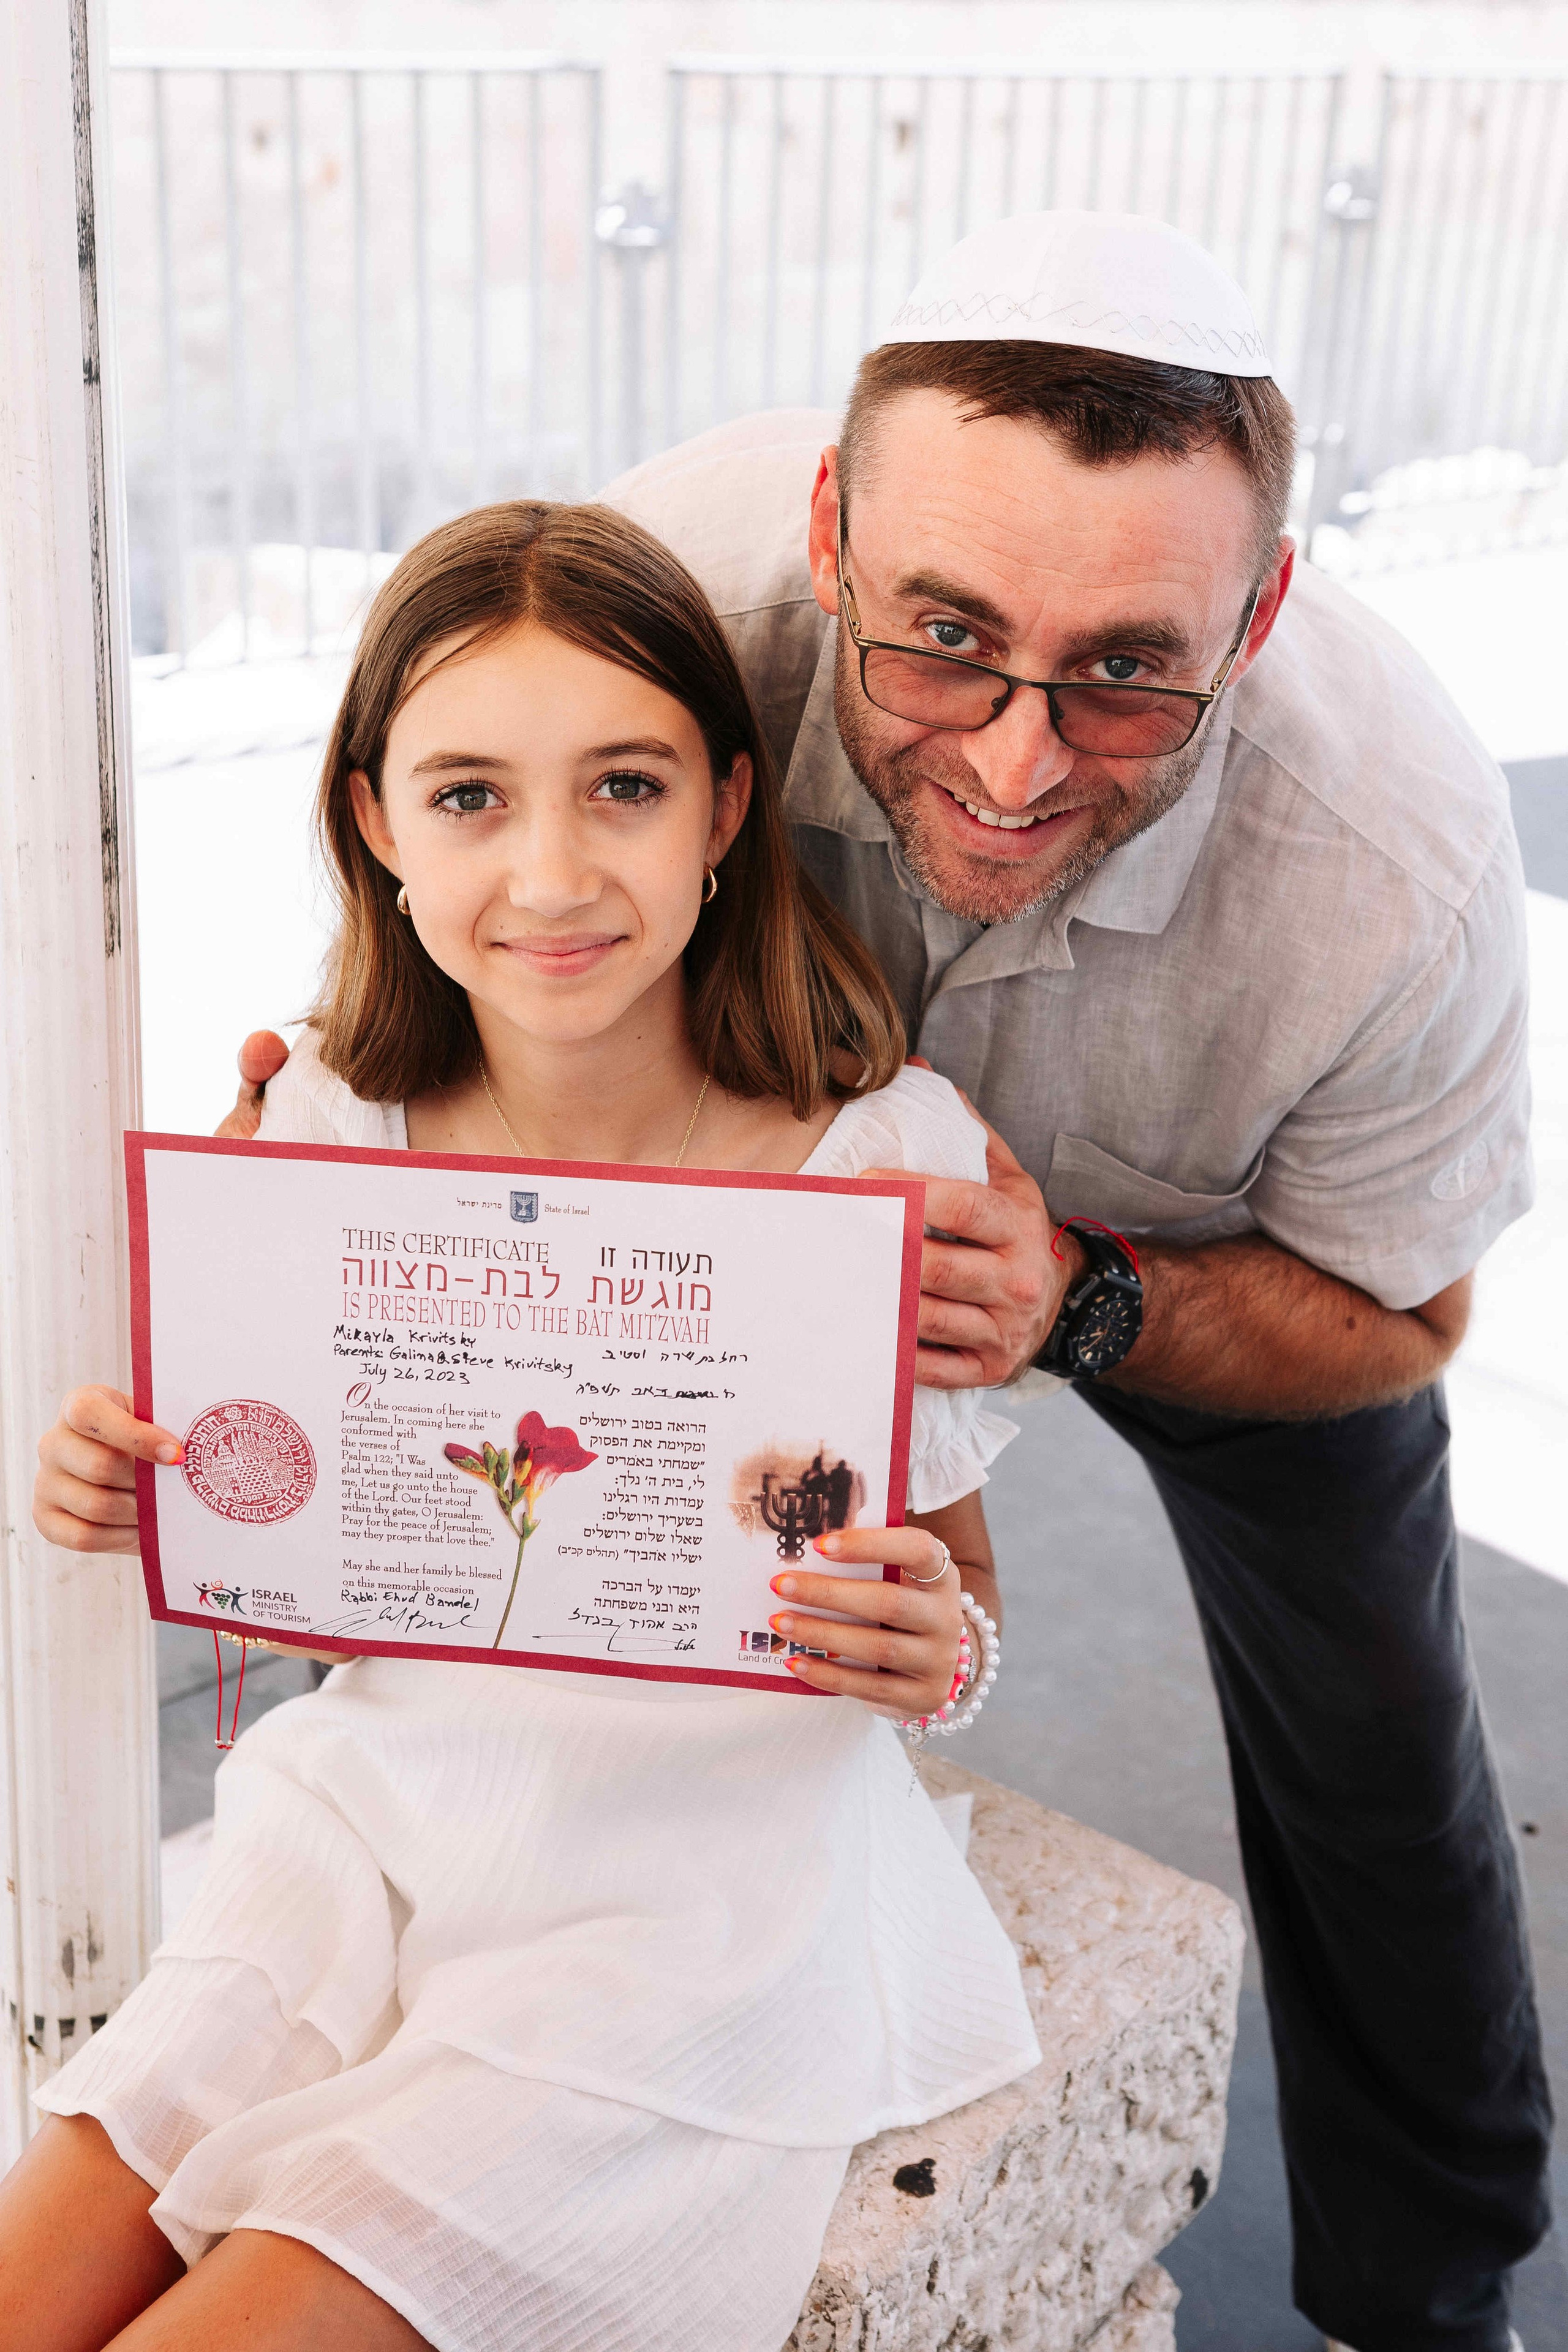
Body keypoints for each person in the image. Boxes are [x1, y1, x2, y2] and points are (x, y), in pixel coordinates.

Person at [220, 208, 1552, 2352]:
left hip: (1190, 1249)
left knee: (1384, 1754)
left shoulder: (1393, 864)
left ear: (1265, 607)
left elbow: (1412, 1321)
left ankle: (1440, 2277)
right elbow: (474, 874)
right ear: (831, 537)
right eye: (939, 642)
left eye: (1130, 671)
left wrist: (1089, 1298)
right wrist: (355, 1130)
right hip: (733, 1192)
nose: (1019, 765)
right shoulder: (670, 604)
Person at [15, 501, 1039, 2352]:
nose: (553, 873)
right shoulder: (332, 1125)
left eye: (624, 787)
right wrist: (137, 1475)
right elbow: (303, 1552)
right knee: (44, 2255)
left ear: (727, 809)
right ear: (373, 823)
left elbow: (961, 1607)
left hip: (705, 1894)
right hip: (377, 1815)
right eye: (472, 794)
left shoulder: (888, 1162)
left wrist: (929, 1651)